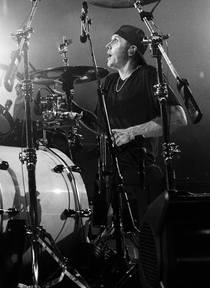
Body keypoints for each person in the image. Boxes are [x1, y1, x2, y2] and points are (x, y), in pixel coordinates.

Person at [75, 25, 187, 227]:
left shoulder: (148, 75)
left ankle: (99, 228)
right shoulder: (109, 82)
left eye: (115, 40)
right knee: (70, 159)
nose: (108, 45)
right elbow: (102, 126)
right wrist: (73, 109)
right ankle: (91, 231)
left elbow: (178, 117)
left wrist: (131, 133)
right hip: (108, 156)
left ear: (132, 49)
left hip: (136, 157)